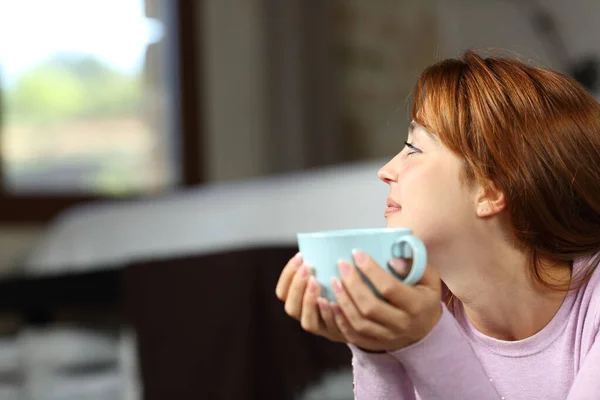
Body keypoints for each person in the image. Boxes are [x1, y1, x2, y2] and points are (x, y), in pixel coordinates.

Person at [275, 50, 600, 399]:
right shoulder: (421, 305)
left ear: (490, 190)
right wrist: (376, 348)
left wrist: (428, 342)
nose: (386, 171)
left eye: (413, 149)